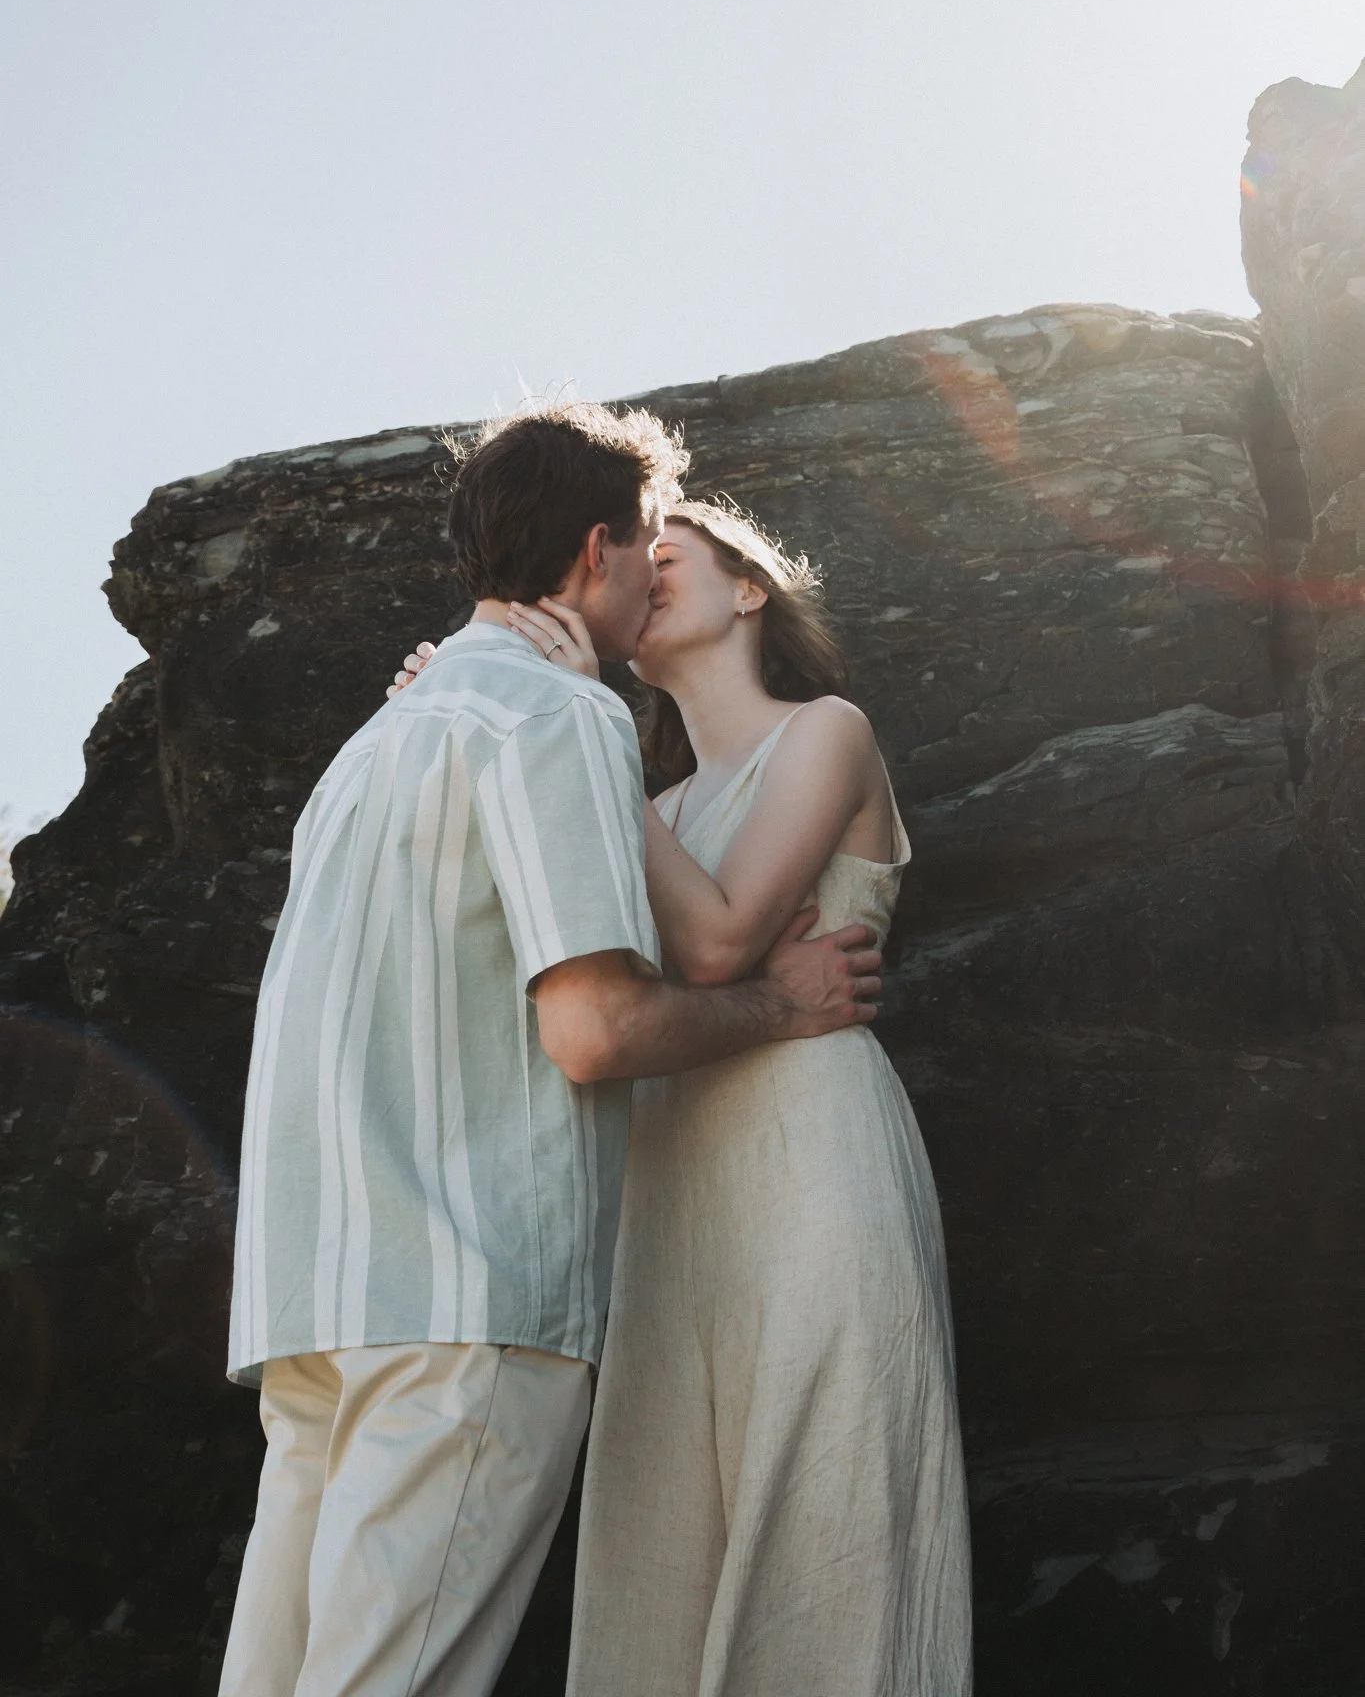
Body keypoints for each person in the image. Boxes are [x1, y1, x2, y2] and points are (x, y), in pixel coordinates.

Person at [219, 406, 883, 1697]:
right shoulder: (562, 720)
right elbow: (594, 1031)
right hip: (464, 1310)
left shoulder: (361, 757)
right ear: (597, 551)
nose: (652, 581)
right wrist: (783, 1009)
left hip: (315, 1304)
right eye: (646, 550)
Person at [500, 498, 973, 1697]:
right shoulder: (643, 808)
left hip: (816, 1158)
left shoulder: (827, 731)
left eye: (668, 557)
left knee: (836, 1512)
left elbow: (715, 950)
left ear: (749, 588)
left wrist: (593, 721)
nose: (640, 576)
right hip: (663, 1201)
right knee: (658, 1552)